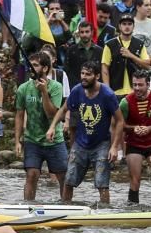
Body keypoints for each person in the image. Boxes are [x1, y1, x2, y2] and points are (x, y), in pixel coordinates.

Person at [47, 62, 124, 204]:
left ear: (97, 76)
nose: (84, 77)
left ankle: (105, 213)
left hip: (101, 143)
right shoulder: (77, 91)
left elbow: (120, 121)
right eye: (82, 74)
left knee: (102, 183)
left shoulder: (107, 94)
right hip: (80, 143)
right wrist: (52, 127)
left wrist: (114, 147)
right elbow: (63, 110)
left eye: (88, 74)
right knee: (69, 180)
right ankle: (65, 207)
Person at [15, 51, 67, 201]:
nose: (31, 68)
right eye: (30, 65)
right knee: (31, 174)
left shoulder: (56, 87)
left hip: (54, 140)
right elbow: (19, 115)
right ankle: (28, 206)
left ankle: (66, 205)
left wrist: (44, 92)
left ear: (45, 68)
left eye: (35, 65)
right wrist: (17, 140)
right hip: (32, 140)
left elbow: (52, 114)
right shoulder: (23, 88)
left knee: (63, 177)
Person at [116, 70, 151, 205]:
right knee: (135, 181)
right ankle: (133, 211)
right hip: (133, 144)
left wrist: (149, 129)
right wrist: (133, 129)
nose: (137, 88)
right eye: (134, 85)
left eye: (140, 85)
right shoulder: (125, 102)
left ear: (148, 84)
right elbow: (119, 125)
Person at [100, 13, 151, 98]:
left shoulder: (139, 44)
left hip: (135, 91)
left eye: (129, 24)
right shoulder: (110, 44)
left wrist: (131, 55)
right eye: (124, 24)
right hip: (115, 91)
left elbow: (147, 64)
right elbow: (104, 67)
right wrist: (107, 89)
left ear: (133, 26)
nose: (127, 27)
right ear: (119, 26)